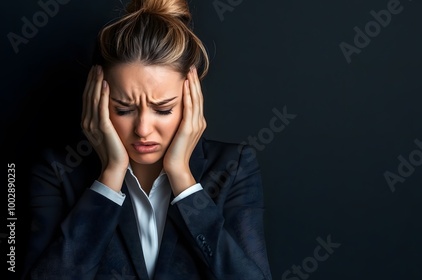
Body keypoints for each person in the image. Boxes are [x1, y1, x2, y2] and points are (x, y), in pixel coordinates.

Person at [21, 0, 272, 279]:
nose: (142, 129)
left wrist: (183, 180)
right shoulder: (57, 172)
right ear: (97, 101)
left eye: (163, 109)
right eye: (123, 109)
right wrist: (110, 177)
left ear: (192, 101)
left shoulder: (234, 167)